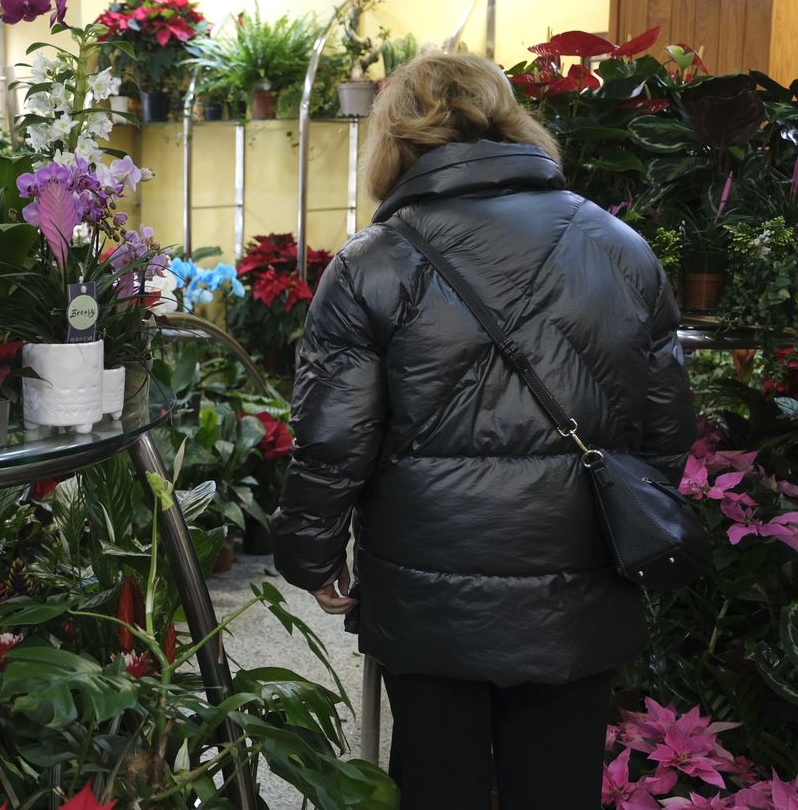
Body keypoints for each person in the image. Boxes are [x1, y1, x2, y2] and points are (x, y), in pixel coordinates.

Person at [269, 52, 694, 810]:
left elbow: (334, 437)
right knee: (560, 784)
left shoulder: (374, 263)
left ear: (394, 138)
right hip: (578, 574)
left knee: (437, 779)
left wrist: (310, 551)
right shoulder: (620, 248)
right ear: (509, 121)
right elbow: (664, 429)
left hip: (430, 584)